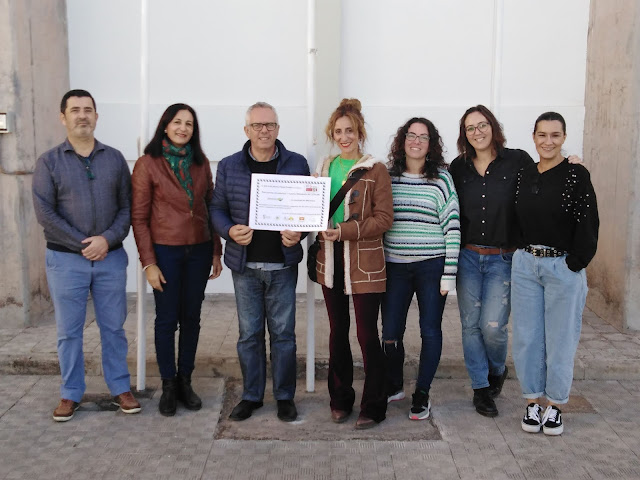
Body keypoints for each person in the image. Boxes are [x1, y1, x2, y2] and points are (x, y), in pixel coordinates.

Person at [32, 89, 140, 422]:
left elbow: (127, 207)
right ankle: (70, 392)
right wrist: (83, 244)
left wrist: (106, 239)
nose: (82, 115)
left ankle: (120, 387)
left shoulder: (115, 159)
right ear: (63, 117)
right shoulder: (49, 162)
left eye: (88, 109)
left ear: (96, 116)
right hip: (66, 261)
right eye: (75, 110)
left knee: (114, 328)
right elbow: (45, 212)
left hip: (110, 258)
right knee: (69, 331)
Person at [211, 102, 309, 422]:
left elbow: (309, 209)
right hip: (245, 266)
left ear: (278, 129)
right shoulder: (229, 166)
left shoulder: (296, 163)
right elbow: (216, 208)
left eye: (270, 125)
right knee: (249, 335)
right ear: (246, 130)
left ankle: (284, 396)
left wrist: (300, 232)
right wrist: (228, 230)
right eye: (257, 125)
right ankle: (251, 395)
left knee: (283, 335)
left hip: (282, 265)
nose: (264, 131)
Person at [131, 103, 223, 416]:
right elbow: (139, 218)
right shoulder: (148, 164)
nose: (183, 128)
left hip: (199, 250)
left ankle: (186, 381)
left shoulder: (201, 163)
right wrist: (148, 263)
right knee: (167, 319)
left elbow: (210, 207)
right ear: (165, 125)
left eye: (189, 124)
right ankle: (168, 385)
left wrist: (216, 251)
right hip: (165, 252)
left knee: (191, 319)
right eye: (177, 122)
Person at [512, 112, 598, 435]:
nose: (548, 141)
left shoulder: (576, 175)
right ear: (533, 137)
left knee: (560, 339)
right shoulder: (524, 173)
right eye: (542, 135)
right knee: (527, 337)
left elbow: (589, 223)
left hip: (562, 267)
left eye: (555, 135)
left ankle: (556, 406)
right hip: (525, 266)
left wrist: (574, 263)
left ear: (564, 138)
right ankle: (532, 402)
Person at [312, 98, 393, 430]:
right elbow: (314, 210)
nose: (344, 137)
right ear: (332, 134)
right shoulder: (324, 167)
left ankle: (374, 404)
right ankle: (340, 399)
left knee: (366, 335)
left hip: (365, 263)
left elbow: (384, 219)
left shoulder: (376, 169)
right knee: (337, 332)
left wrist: (344, 231)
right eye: (338, 131)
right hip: (330, 261)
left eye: (350, 131)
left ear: (360, 133)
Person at [449, 105, 534, 417]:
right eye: (470, 128)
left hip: (503, 258)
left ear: (493, 126)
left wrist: (571, 163)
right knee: (471, 325)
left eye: (482, 125)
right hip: (468, 257)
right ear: (465, 135)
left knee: (493, 326)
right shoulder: (458, 168)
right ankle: (480, 388)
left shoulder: (518, 161)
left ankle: (497, 369)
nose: (477, 132)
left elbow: (544, 181)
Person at [382, 117, 460, 420]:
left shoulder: (442, 179)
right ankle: (394, 384)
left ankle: (422, 393)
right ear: (402, 141)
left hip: (431, 266)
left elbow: (452, 226)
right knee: (390, 332)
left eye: (423, 137)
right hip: (395, 267)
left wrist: (449, 273)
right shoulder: (388, 177)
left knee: (430, 330)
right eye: (411, 135)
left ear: (431, 144)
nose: (416, 141)